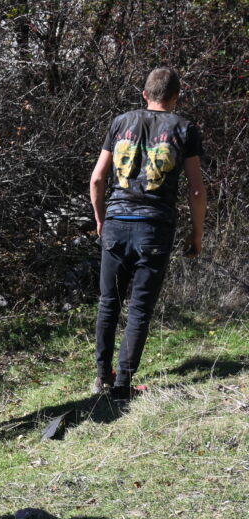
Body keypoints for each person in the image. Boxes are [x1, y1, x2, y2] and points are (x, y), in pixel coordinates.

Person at [89, 67, 207, 399]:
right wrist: (196, 235)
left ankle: (101, 376)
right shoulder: (185, 128)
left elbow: (98, 179)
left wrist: (101, 218)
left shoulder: (120, 122)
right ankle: (123, 383)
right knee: (140, 307)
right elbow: (197, 191)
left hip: (116, 221)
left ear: (145, 94)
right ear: (176, 97)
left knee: (108, 303)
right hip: (155, 228)